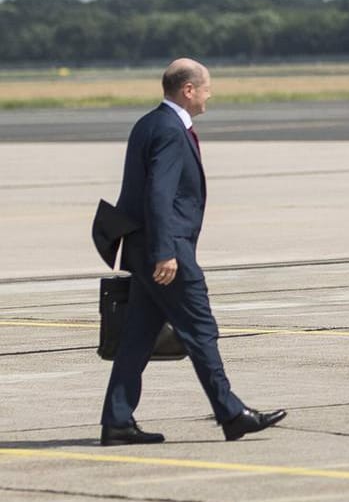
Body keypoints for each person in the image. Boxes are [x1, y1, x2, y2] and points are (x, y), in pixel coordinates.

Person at [100, 58, 286, 445]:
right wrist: (165, 251)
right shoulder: (170, 130)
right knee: (201, 329)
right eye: (206, 88)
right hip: (168, 252)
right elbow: (159, 195)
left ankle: (117, 421)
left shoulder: (148, 123)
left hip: (145, 247)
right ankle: (232, 413)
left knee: (137, 337)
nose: (209, 95)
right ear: (188, 90)